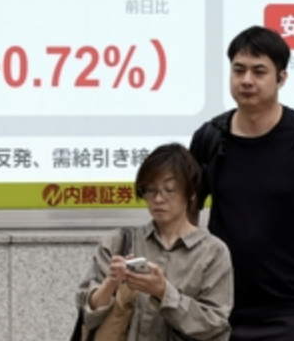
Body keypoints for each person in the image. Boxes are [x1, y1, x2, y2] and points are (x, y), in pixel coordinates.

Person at [190, 25, 294, 340]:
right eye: (238, 70)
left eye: (259, 71)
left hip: (289, 315)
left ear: (281, 78)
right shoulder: (209, 138)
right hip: (218, 311)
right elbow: (187, 211)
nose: (246, 80)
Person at [76, 143, 233, 340]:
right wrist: (110, 284)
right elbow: (86, 316)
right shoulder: (118, 242)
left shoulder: (213, 252)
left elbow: (214, 325)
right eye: (150, 190)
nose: (158, 199)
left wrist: (164, 293)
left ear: (192, 192)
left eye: (169, 189)